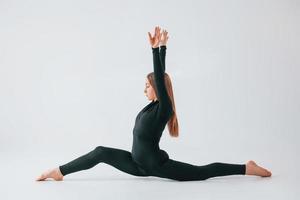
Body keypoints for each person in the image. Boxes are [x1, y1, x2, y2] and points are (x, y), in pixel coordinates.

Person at [36, 26, 272, 182]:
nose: (145, 88)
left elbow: (160, 76)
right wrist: (160, 49)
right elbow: (159, 79)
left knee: (203, 172)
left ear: (157, 88)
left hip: (156, 167)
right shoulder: (150, 108)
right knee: (100, 152)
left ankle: (245, 167)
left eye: (148, 86)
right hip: (136, 165)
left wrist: (157, 49)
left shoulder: (163, 109)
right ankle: (59, 172)